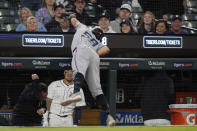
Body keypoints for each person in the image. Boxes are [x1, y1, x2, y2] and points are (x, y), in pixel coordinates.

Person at [62, 14, 116, 126]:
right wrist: (93, 54)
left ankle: (76, 93)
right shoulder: (97, 42)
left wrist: (71, 16)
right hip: (94, 56)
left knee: (78, 72)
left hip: (81, 49)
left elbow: (74, 21)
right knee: (97, 90)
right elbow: (106, 49)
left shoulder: (84, 28)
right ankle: (109, 116)